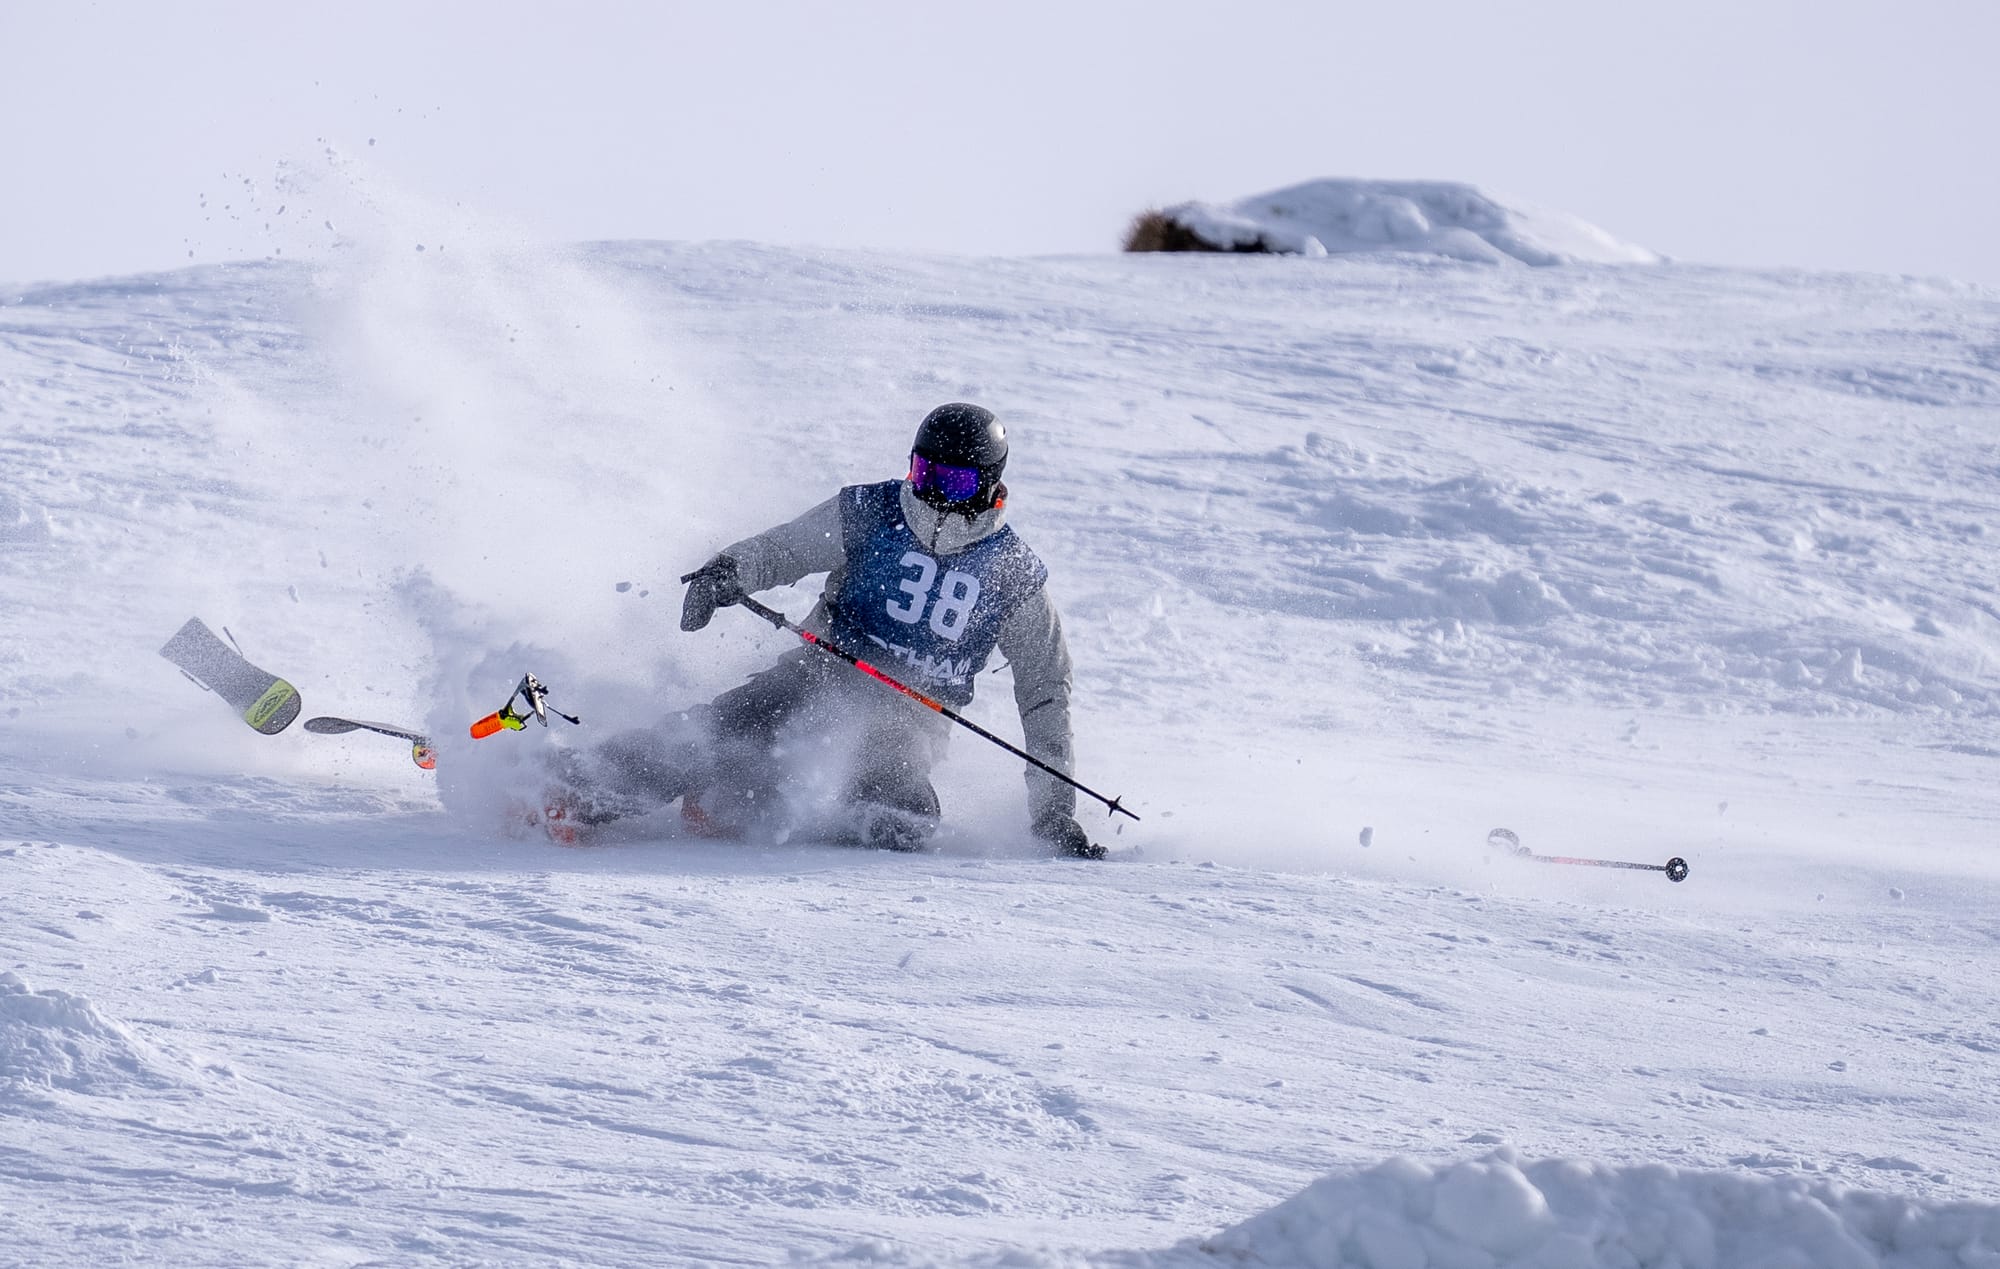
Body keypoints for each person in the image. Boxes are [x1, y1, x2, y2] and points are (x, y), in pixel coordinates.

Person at [533, 402, 1103, 858]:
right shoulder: (871, 510)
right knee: (714, 730)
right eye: (925, 473)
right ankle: (575, 785)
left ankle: (739, 796)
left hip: (907, 721)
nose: (933, 495)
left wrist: (1053, 812)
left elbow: (1047, 691)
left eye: (952, 484)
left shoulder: (1013, 573)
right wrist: (730, 571)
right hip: (815, 674)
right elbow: (787, 548)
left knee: (901, 822)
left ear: (987, 486)